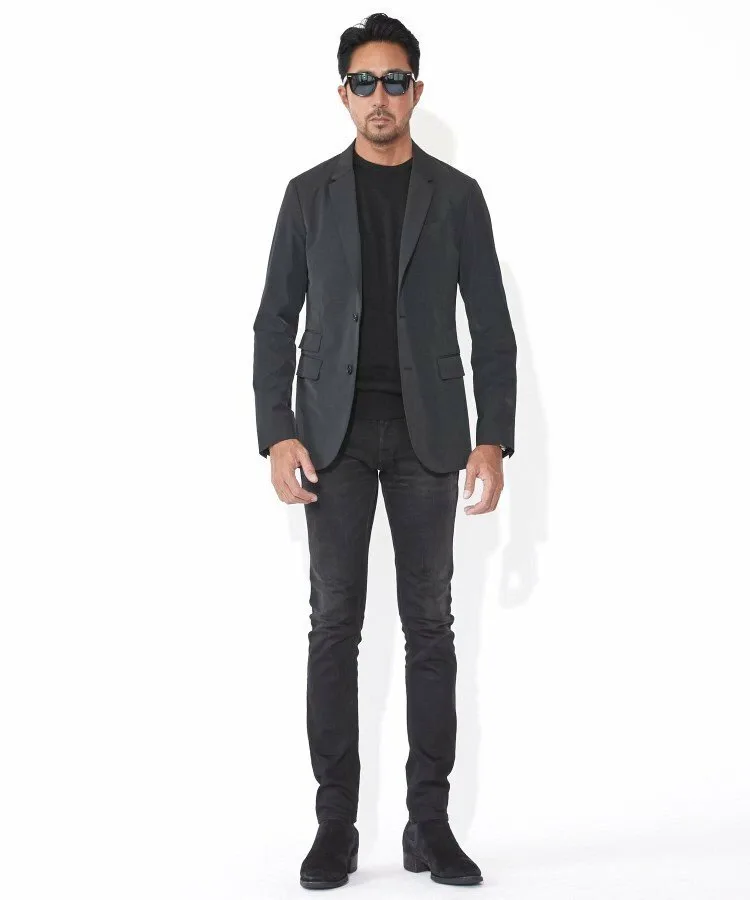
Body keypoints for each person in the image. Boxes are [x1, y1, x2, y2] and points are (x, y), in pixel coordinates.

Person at [253, 12, 517, 890]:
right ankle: (335, 826)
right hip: (328, 439)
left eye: (394, 81)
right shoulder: (307, 196)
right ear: (343, 95)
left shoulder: (458, 196)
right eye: (363, 82)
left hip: (427, 438)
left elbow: (492, 329)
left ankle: (427, 827)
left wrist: (493, 438)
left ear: (416, 91)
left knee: (430, 626)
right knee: (335, 626)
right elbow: (273, 324)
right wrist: (277, 431)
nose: (379, 96)